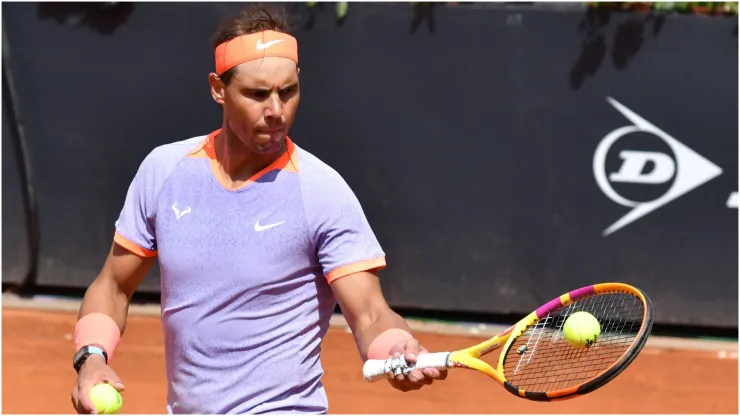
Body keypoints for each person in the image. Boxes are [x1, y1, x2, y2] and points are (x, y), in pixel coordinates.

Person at [69, 5, 446, 415]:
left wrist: (396, 347)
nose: (276, 110)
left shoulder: (320, 191)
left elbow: (370, 312)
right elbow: (113, 286)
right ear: (218, 88)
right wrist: (91, 359)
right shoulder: (164, 172)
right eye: (256, 93)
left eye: (288, 91)